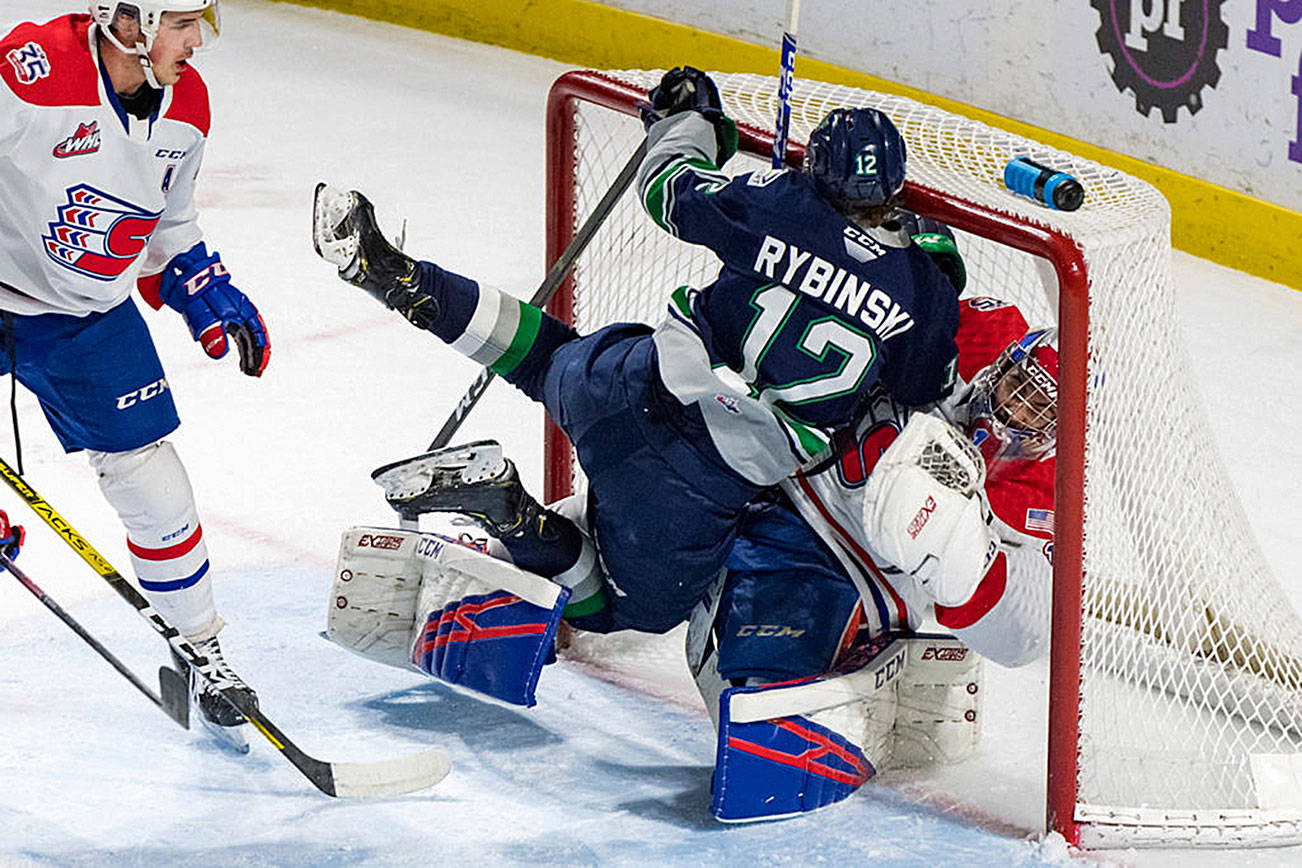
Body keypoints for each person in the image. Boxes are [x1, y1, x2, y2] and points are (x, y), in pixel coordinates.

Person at [313, 66, 960, 640]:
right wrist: (939, 274)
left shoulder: (776, 201)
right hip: (692, 490)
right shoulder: (922, 291)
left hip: (627, 383)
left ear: (816, 170)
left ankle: (400, 277)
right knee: (622, 614)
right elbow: (920, 387)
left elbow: (668, 189)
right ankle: (510, 513)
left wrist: (691, 119)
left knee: (543, 359)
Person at [0, 0, 270, 744]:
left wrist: (197, 282)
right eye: (181, 25)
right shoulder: (31, 74)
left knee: (151, 475)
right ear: (129, 20)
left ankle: (199, 648)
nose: (196, 43)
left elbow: (167, 219)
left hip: (83, 314)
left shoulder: (189, 103)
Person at [688, 295, 1057, 820]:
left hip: (847, 559)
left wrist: (964, 558)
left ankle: (791, 694)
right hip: (785, 454)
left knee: (749, 672)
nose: (1014, 411)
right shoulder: (983, 327)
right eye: (1018, 387)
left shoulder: (1043, 488)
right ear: (1007, 360)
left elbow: (1029, 632)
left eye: (1038, 411)